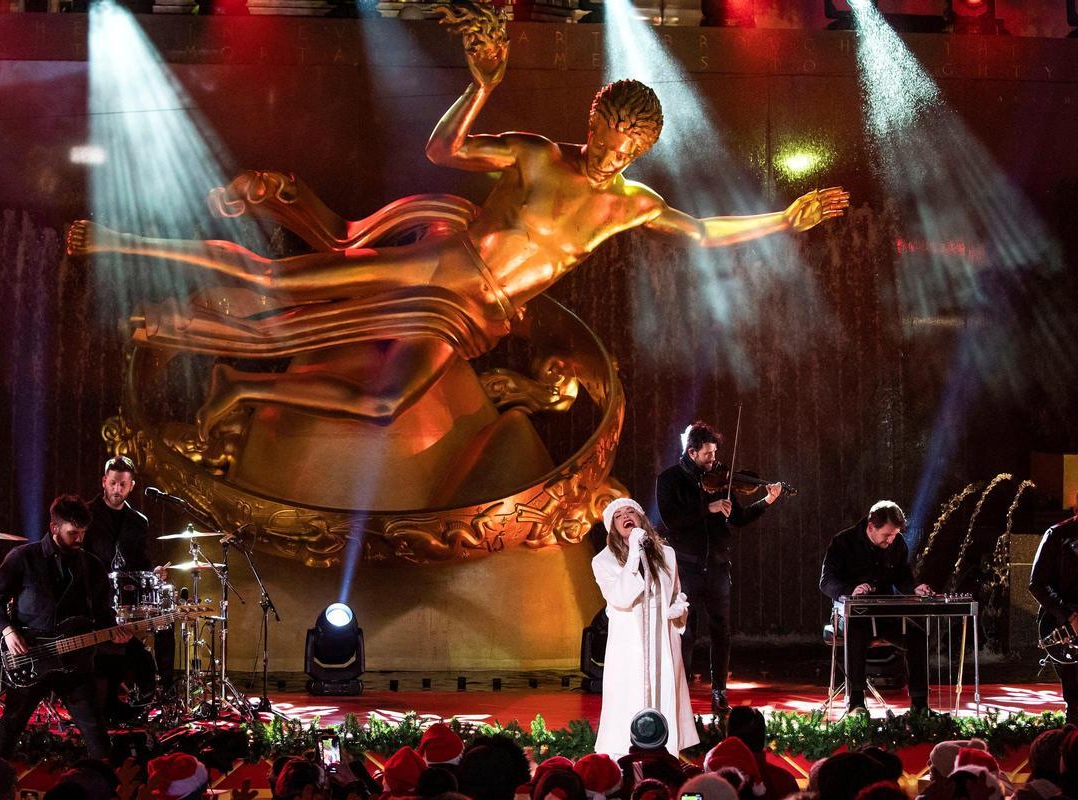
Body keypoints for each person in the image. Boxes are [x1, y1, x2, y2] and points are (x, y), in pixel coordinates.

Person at [64, 2, 848, 440]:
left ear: (646, 148)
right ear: (595, 118)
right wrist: (480, 87)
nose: (615, 150)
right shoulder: (540, 155)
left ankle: (238, 389)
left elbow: (704, 234)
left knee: (381, 404)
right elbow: (445, 150)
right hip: (447, 262)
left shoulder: (632, 204)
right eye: (610, 131)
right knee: (278, 279)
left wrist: (785, 218)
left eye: (632, 143)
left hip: (479, 314)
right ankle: (118, 240)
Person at [0, 495, 132, 759]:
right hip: (30, 656)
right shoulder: (24, 557)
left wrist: (115, 635)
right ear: (54, 528)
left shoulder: (92, 566)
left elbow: (103, 615)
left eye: (83, 533)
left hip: (76, 662)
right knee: (10, 729)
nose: (79, 539)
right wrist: (7, 630)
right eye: (73, 533)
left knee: (96, 732)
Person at [656, 421, 784, 714]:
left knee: (721, 631)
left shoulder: (721, 480)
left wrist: (767, 501)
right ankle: (681, 693)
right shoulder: (669, 480)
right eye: (708, 455)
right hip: (686, 567)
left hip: (717, 566)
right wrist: (707, 508)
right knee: (684, 632)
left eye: (715, 454)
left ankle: (718, 693)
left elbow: (737, 519)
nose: (714, 461)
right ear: (691, 452)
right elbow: (672, 521)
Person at [592, 497, 698, 758]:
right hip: (630, 640)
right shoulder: (603, 561)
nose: (626, 516)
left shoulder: (667, 553)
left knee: (663, 687)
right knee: (631, 691)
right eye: (619, 515)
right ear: (613, 527)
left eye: (631, 512)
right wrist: (632, 555)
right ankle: (625, 751)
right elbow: (620, 597)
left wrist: (678, 609)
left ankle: (667, 748)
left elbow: (676, 593)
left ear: (641, 519)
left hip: (662, 635)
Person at [819, 500, 934, 716]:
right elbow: (826, 582)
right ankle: (856, 703)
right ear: (871, 527)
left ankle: (920, 705)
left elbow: (902, 575)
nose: (891, 540)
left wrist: (915, 588)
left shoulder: (896, 543)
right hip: (850, 617)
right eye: (887, 535)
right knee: (857, 633)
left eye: (894, 535)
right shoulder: (843, 542)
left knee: (918, 636)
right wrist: (851, 590)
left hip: (884, 615)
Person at [84, 455, 174, 719]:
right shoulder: (87, 515)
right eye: (113, 483)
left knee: (166, 621)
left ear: (131, 485)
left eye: (123, 484)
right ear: (104, 481)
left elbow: (141, 562)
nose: (117, 489)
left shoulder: (138, 521)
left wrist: (154, 573)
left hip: (126, 602)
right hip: (94, 600)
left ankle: (162, 690)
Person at [1029, 491, 1078, 726]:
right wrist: (1068, 616)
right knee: (1076, 702)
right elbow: (1037, 583)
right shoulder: (1057, 535)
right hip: (1065, 627)